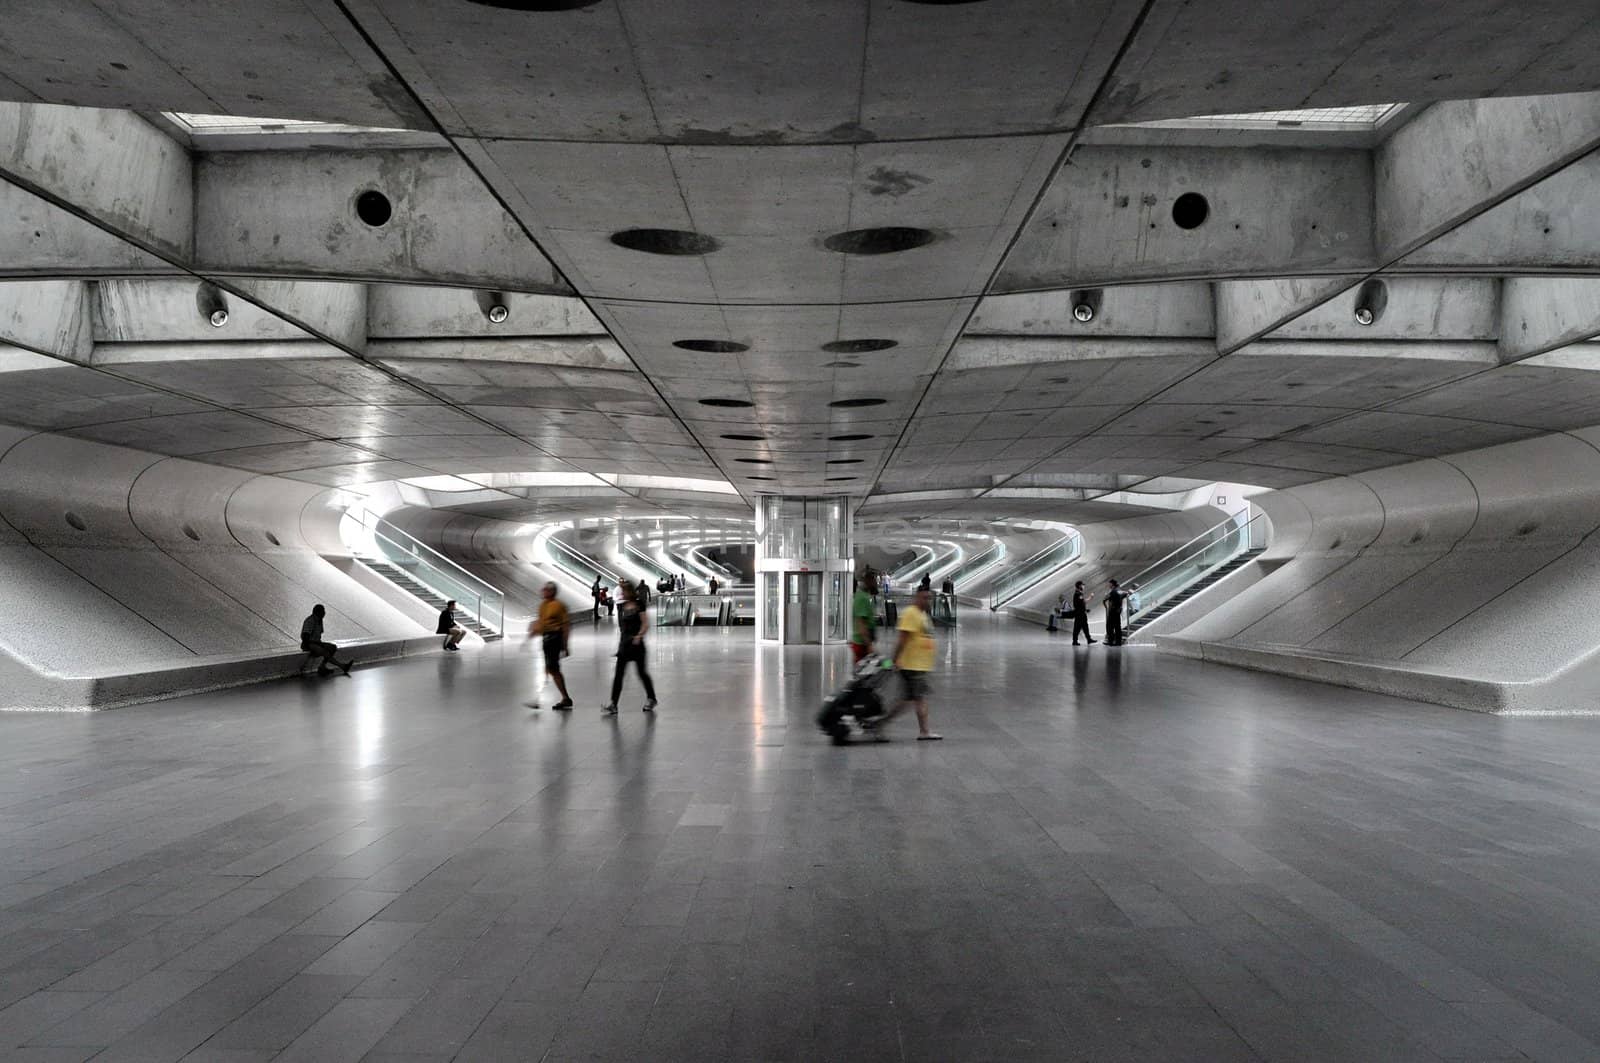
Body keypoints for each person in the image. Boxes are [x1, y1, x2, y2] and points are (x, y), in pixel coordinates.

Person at [877, 586, 940, 740]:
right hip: (912, 665)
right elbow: (902, 640)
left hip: (919, 665)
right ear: (917, 597)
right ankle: (880, 725)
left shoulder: (922, 615)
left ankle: (923, 731)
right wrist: (894, 659)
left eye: (929, 598)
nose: (927, 601)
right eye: (924, 597)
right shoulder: (911, 614)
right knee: (913, 699)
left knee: (910, 699)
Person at [603, 580, 657, 715]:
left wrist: (639, 636)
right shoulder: (623, 606)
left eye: (625, 591)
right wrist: (619, 647)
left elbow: (645, 624)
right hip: (625, 645)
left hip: (637, 645)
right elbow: (623, 629)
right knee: (618, 675)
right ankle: (613, 704)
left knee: (642, 673)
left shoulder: (639, 605)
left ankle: (651, 698)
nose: (623, 593)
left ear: (630, 591)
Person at [527, 582, 573, 710]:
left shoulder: (559, 606)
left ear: (552, 592)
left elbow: (566, 626)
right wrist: (534, 632)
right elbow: (542, 623)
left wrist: (565, 645)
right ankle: (563, 698)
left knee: (552, 669)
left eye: (546, 590)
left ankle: (563, 698)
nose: (543, 592)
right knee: (549, 668)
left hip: (555, 638)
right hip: (546, 639)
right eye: (543, 589)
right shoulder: (543, 605)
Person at [300, 604, 352, 676]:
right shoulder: (310, 621)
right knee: (324, 652)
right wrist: (317, 645)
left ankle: (322, 666)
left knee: (332, 647)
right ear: (318, 612)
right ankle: (342, 666)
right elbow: (305, 638)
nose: (324, 613)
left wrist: (319, 644)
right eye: (323, 611)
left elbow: (319, 635)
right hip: (308, 644)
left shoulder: (319, 621)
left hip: (316, 643)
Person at [851, 569, 879, 663]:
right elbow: (861, 624)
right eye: (875, 580)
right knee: (863, 671)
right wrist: (869, 645)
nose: (876, 583)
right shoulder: (862, 598)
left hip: (863, 643)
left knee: (862, 670)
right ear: (869, 581)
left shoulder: (865, 596)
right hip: (861, 644)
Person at [1071, 581, 1096, 646]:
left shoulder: (1079, 593)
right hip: (1080, 614)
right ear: (1079, 586)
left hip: (1081, 613)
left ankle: (1089, 639)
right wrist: (1091, 597)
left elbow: (1081, 603)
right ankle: (1075, 641)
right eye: (1082, 585)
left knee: (1085, 627)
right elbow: (1083, 602)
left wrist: (1085, 610)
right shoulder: (1078, 594)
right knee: (1077, 627)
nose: (1083, 586)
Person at [1104, 579, 1127, 646]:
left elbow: (1106, 598)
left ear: (1112, 584)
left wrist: (1106, 596)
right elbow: (1125, 594)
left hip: (1112, 611)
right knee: (1117, 627)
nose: (1108, 585)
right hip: (1118, 611)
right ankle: (1118, 642)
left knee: (1109, 627)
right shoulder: (1120, 591)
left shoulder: (1113, 592)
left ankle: (1110, 641)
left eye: (1109, 584)